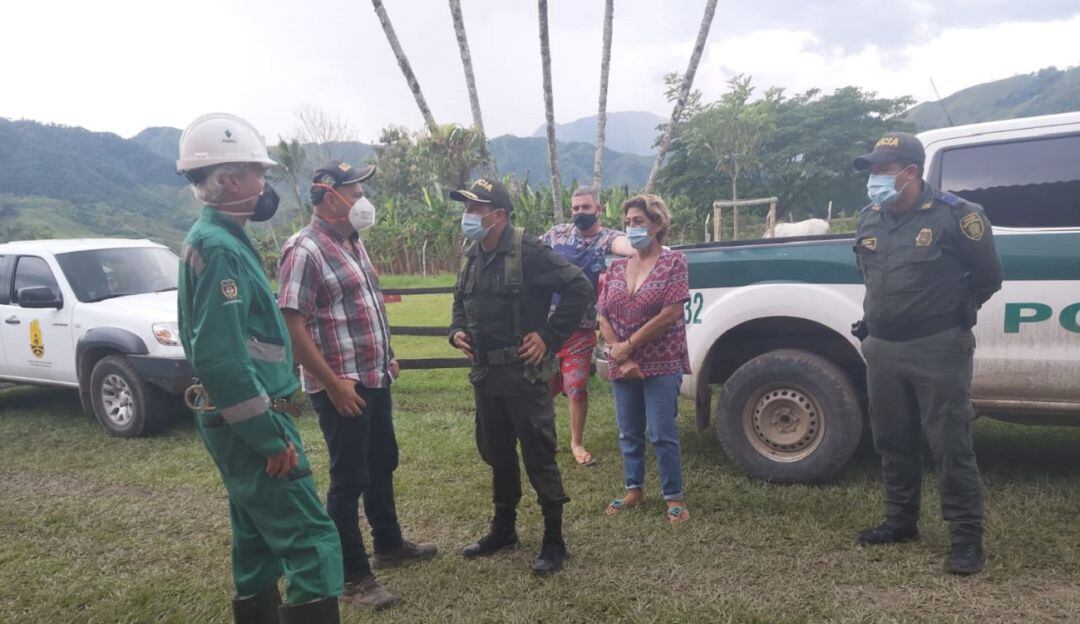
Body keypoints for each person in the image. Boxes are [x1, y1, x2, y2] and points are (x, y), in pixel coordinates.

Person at [175, 113, 342, 624]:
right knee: (311, 541)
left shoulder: (217, 238)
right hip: (252, 421)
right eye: (257, 173)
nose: (265, 185)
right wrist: (270, 439)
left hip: (235, 419)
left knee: (256, 538)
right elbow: (222, 358)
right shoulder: (220, 249)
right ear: (227, 180)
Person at [276, 161, 437, 610]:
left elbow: (362, 307)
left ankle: (389, 545)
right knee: (348, 478)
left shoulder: (353, 241)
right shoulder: (303, 249)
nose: (363, 198)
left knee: (382, 461)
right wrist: (331, 385)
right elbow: (293, 325)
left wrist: (387, 357)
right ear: (329, 196)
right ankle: (352, 575)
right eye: (356, 190)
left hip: (373, 376)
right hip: (341, 386)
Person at [852, 131, 1002, 575]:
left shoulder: (958, 216)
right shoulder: (869, 218)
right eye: (873, 170)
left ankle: (965, 538)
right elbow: (868, 274)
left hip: (937, 346)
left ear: (910, 172)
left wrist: (947, 315)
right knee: (892, 438)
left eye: (882, 169)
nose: (874, 178)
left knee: (949, 442)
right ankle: (900, 521)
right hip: (881, 345)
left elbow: (988, 277)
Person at [448, 177, 593, 575]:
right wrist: (456, 329)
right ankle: (504, 528)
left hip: (524, 376)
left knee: (538, 455)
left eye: (475, 209)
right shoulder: (472, 253)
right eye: (466, 208)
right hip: (486, 376)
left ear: (499, 215)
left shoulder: (529, 251)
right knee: (497, 453)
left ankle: (554, 540)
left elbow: (579, 287)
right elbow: (459, 298)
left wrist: (549, 335)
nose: (468, 216)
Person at [596, 194, 691, 524]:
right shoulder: (617, 266)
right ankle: (633, 488)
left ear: (658, 224)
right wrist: (620, 355)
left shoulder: (673, 262)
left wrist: (628, 346)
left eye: (638, 222)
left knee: (662, 432)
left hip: (662, 361)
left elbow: (670, 314)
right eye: (628, 222)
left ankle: (673, 497)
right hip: (624, 363)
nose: (631, 227)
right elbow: (603, 314)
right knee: (629, 431)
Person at [541, 186, 632, 466]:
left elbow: (624, 246)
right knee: (541, 386)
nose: (580, 212)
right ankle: (546, 440)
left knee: (577, 386)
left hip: (580, 330)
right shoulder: (556, 235)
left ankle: (576, 442)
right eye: (576, 208)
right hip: (544, 329)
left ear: (599, 209)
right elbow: (530, 253)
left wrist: (644, 246)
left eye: (586, 207)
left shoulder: (607, 238)